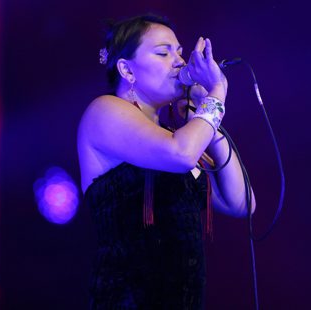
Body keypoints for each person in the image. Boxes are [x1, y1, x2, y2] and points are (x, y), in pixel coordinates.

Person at [77, 14, 256, 309]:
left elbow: (242, 203)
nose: (179, 62)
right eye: (163, 52)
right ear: (127, 70)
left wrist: (206, 115)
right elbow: (181, 154)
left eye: (179, 52)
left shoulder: (179, 134)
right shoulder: (104, 111)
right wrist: (217, 95)